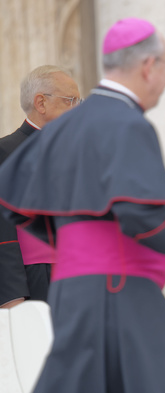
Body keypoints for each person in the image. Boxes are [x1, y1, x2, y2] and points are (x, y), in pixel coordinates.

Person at [0, 18, 165, 393]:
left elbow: (12, 200)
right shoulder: (125, 122)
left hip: (72, 288)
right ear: (149, 67)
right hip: (120, 288)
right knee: (156, 382)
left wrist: (70, 243)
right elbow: (140, 213)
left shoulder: (67, 126)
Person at [0, 65, 81, 308]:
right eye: (70, 101)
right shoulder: (5, 152)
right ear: (41, 103)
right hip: (36, 277)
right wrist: (11, 295)